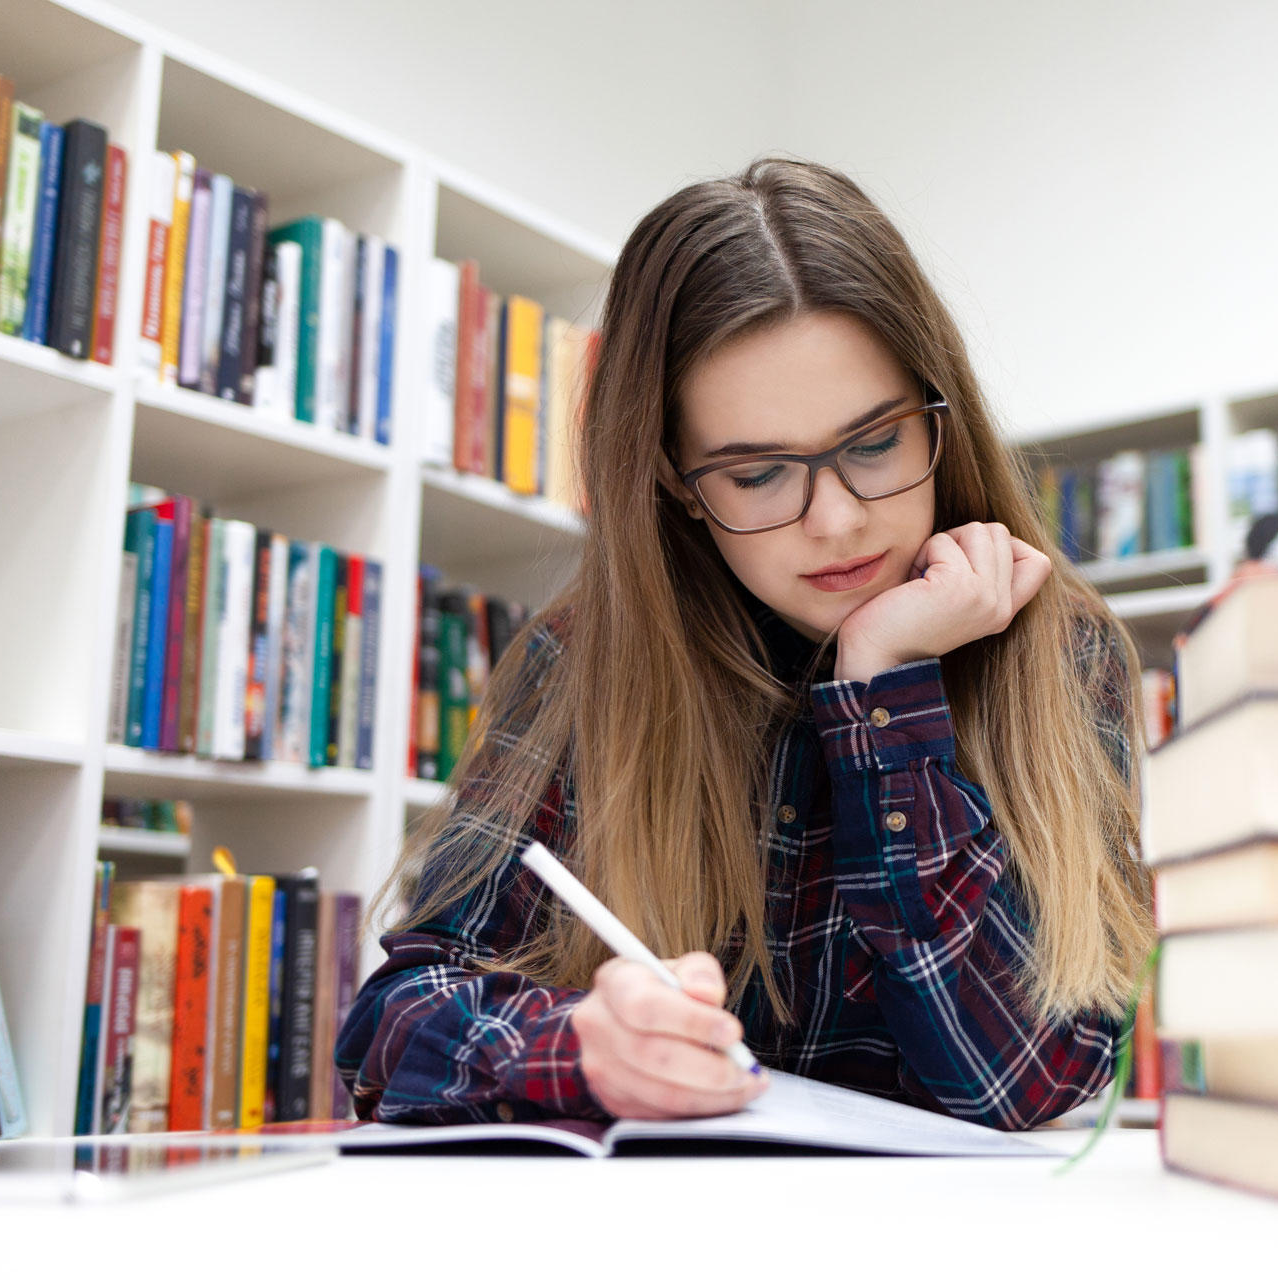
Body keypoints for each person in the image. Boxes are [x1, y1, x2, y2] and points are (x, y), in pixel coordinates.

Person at [336, 156, 1155, 1130]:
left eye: (876, 441)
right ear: (679, 483)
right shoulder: (583, 664)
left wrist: (886, 688)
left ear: (942, 413)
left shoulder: (1061, 648)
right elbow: (391, 1026)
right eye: (760, 472)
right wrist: (582, 1046)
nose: (839, 519)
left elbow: (1028, 1076)